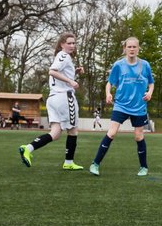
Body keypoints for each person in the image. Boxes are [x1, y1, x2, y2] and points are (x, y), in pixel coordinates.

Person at [20, 32, 87, 170]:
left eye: (74, 43)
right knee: (73, 130)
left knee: (55, 133)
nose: (72, 45)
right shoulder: (64, 55)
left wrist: (74, 71)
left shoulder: (61, 57)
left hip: (53, 98)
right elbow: (52, 71)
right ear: (62, 44)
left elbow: (59, 72)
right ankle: (68, 163)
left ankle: (28, 148)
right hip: (64, 97)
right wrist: (71, 81)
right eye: (69, 43)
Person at [89, 36, 154, 177]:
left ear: (138, 49)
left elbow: (151, 82)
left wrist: (149, 92)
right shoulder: (118, 65)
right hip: (121, 105)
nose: (131, 49)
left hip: (139, 106)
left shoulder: (145, 65)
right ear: (125, 49)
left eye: (134, 47)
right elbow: (109, 82)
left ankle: (144, 167)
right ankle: (95, 164)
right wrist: (108, 94)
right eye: (129, 47)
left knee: (138, 136)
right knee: (111, 133)